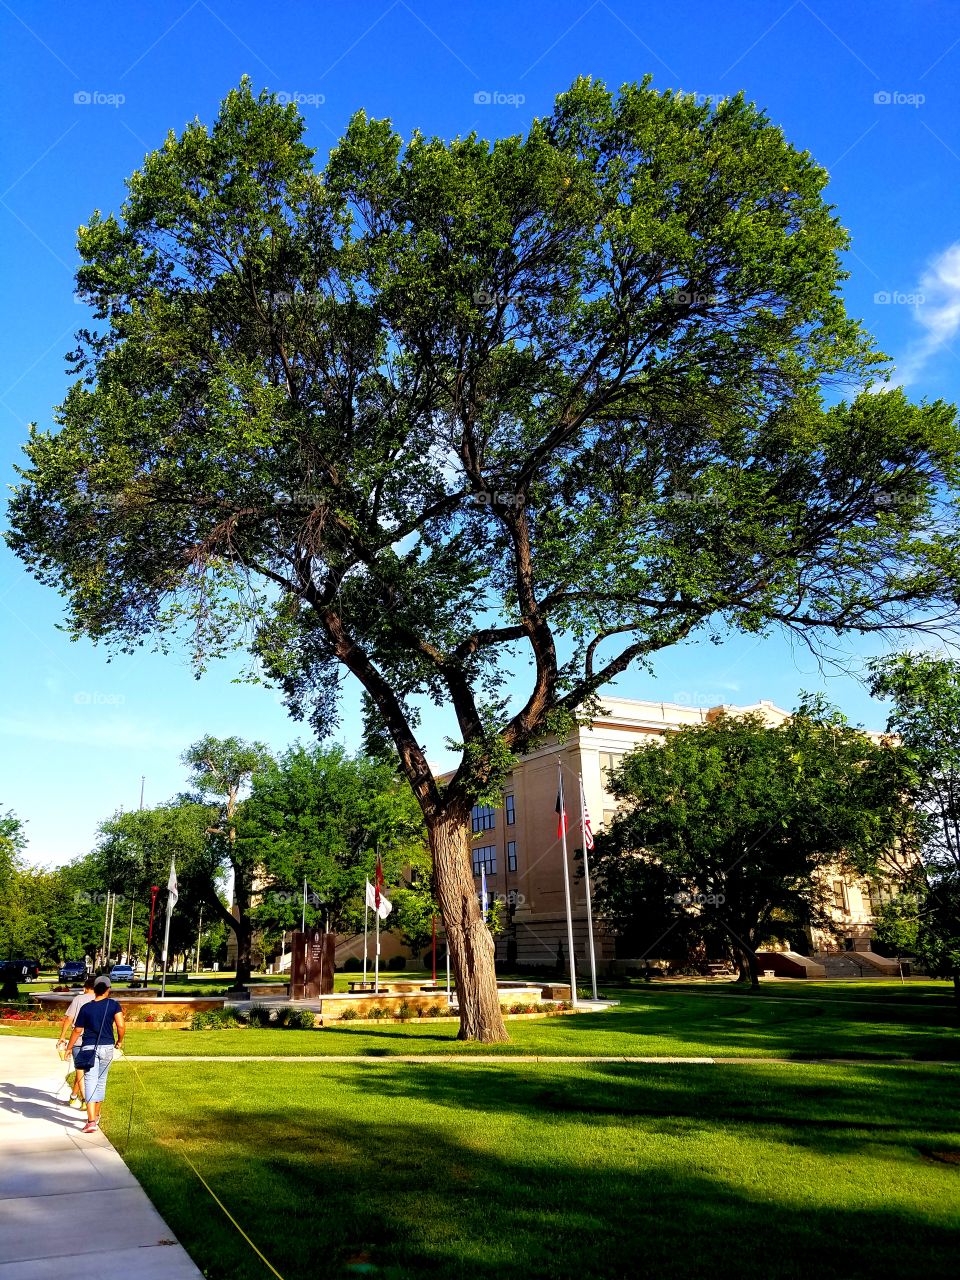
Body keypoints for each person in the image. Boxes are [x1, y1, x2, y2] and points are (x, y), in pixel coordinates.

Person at [66, 975, 125, 1134]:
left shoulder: (86, 1007)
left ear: (94, 989)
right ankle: (96, 1115)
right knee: (101, 1081)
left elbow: (77, 1030)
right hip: (107, 1047)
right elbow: (120, 1025)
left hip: (88, 1048)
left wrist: (69, 1047)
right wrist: (119, 1041)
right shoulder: (113, 1005)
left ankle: (91, 1121)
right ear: (108, 989)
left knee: (90, 1081)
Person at [56, 974, 95, 1109]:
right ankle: (73, 1096)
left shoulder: (79, 999)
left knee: (80, 1070)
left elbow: (69, 1018)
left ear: (85, 988)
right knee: (85, 1070)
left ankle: (85, 1100)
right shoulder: (101, 1000)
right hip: (95, 1040)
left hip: (78, 1039)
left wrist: (62, 1036)